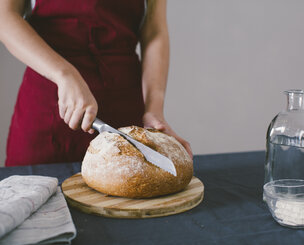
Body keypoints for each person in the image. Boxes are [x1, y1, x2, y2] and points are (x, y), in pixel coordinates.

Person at [0, 0, 192, 166]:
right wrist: (65, 74)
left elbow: (154, 30)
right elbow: (4, 17)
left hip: (123, 104)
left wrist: (154, 110)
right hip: (47, 102)